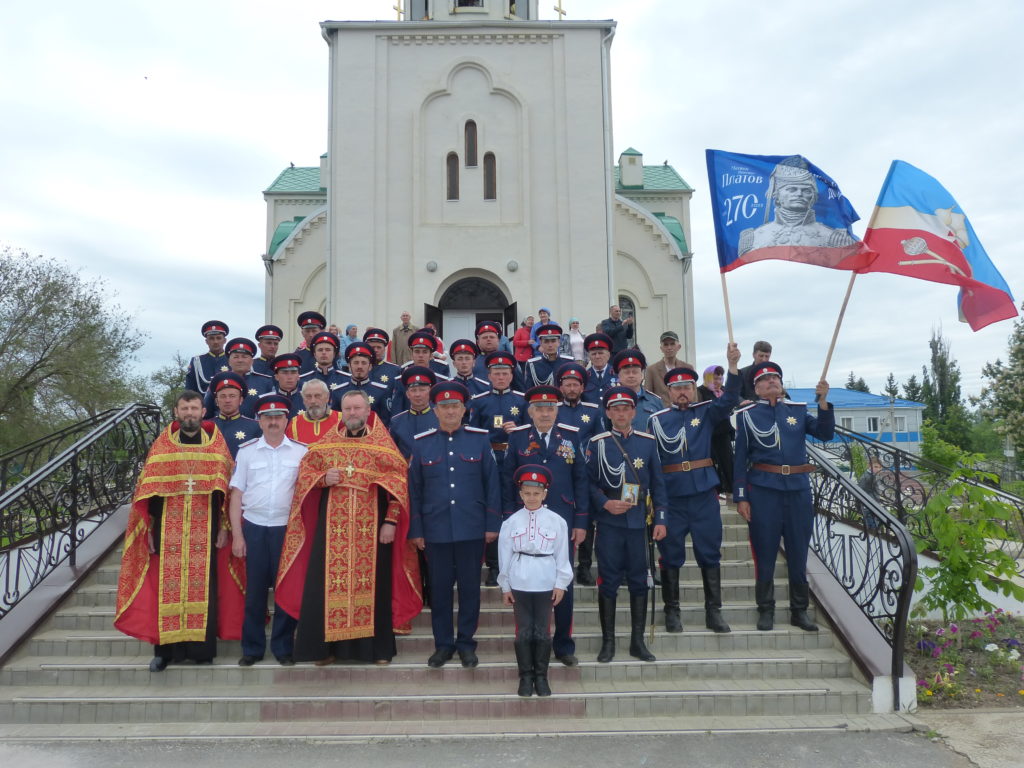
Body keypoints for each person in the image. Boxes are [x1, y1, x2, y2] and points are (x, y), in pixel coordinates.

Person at [276, 390, 422, 665]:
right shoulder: (326, 444)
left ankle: (376, 650)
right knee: (326, 587)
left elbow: (398, 486)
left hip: (373, 531)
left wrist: (390, 522)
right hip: (332, 532)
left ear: (368, 410)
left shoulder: (383, 446)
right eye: (349, 409)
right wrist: (322, 478)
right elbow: (305, 473)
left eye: (358, 408)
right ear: (341, 412)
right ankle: (326, 650)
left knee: (375, 587)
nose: (353, 413)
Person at [114, 391, 243, 672]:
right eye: (184, 408)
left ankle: (202, 651)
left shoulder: (216, 448)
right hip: (167, 528)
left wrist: (224, 526)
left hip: (205, 528)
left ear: (202, 412)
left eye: (194, 408)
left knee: (204, 586)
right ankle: (165, 652)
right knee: (166, 588)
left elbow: (226, 492)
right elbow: (146, 493)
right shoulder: (162, 448)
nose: (189, 413)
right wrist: (147, 529)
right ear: (176, 412)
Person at [734, 361, 834, 633]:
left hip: (798, 489)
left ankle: (799, 611)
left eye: (775, 378)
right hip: (763, 490)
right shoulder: (747, 415)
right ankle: (765, 609)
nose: (771, 382)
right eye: (765, 380)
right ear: (755, 388)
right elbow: (740, 458)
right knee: (764, 551)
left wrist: (823, 402)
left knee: (799, 551)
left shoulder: (798, 412)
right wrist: (741, 497)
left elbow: (825, 434)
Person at [647, 346, 740, 636]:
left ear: (695, 390)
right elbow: (652, 462)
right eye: (677, 388)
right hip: (672, 498)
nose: (683, 392)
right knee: (671, 555)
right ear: (670, 392)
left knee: (709, 553)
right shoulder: (657, 421)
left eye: (688, 387)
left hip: (703, 495)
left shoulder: (708, 413)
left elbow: (730, 402)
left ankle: (714, 611)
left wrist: (732, 367)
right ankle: (671, 611)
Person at [408, 382, 501, 668]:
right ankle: (443, 645)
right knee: (439, 589)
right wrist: (417, 530)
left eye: (455, 406)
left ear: (464, 410)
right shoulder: (422, 442)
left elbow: (492, 485)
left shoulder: (479, 439)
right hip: (435, 531)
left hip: (471, 528)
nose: (450, 411)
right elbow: (415, 490)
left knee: (471, 589)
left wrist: (491, 524)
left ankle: (466, 643)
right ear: (435, 411)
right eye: (444, 407)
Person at [502, 386, 588, 666]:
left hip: (561, 522)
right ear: (530, 411)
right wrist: (508, 520)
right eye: (539, 408)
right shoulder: (517, 439)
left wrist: (581, 521)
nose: (545, 413)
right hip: (525, 523)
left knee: (563, 584)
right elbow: (506, 482)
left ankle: (564, 645)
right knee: (522, 586)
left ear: (557, 410)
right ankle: (526, 643)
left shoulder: (572, 437)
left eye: (550, 408)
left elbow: (581, 481)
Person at [586, 387, 667, 663]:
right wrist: (604, 503)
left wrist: (661, 519)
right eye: (615, 409)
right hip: (609, 521)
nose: (621, 413)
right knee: (608, 581)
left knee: (638, 582)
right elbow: (587, 482)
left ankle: (637, 641)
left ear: (634, 411)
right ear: (607, 413)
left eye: (626, 408)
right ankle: (608, 641)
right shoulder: (597, 443)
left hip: (637, 523)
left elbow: (658, 484)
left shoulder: (647, 442)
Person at [229, 394, 307, 667]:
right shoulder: (247, 451)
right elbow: (236, 495)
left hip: (286, 530)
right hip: (255, 528)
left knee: (286, 590)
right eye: (267, 418)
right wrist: (237, 535)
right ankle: (252, 648)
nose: (273, 422)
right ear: (259, 421)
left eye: (278, 417)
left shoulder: (301, 451)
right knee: (255, 592)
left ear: (287, 420)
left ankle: (283, 647)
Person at [499, 465, 572, 698]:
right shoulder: (510, 522)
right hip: (520, 581)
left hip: (545, 581)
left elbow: (562, 554)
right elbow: (505, 555)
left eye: (536, 493)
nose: (532, 497)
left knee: (542, 631)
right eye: (527, 493)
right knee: (523, 632)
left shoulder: (557, 521)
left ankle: (541, 676)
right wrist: (505, 586)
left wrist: (561, 583)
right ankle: (525, 677)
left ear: (544, 494)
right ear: (520, 494)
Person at [468, 351, 529, 586]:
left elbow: (532, 432)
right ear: (489, 375)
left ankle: (517, 563)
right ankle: (494, 566)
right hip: (490, 460)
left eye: (505, 373)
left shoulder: (523, 401)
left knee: (516, 510)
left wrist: (520, 427)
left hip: (516, 460)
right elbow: (473, 434)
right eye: (496, 373)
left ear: (512, 375)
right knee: (493, 511)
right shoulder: (479, 401)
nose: (501, 377)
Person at [738, 156, 856, 260]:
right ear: (776, 194)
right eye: (792, 189)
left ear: (813, 196)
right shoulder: (752, 239)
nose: (799, 194)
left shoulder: (835, 239)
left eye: (806, 190)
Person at [698, 364, 736, 498]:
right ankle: (716, 490)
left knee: (727, 460)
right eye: (715, 378)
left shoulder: (724, 391)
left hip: (724, 431)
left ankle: (730, 489)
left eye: (720, 378)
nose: (718, 382)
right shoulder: (701, 391)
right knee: (711, 461)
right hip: (710, 432)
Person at [329, 341, 390, 422]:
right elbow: (335, 421)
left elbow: (385, 422)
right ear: (349, 366)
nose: (360, 366)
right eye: (356, 363)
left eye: (364, 363)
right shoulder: (338, 391)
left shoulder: (382, 391)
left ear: (370, 367)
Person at [208, 372, 262, 457]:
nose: (227, 400)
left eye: (232, 396)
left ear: (240, 400)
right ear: (216, 401)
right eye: (223, 396)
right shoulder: (206, 427)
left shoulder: (256, 427)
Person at [388, 366, 438, 459]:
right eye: (413, 390)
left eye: (422, 390)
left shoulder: (441, 418)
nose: (418, 394)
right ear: (407, 394)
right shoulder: (397, 422)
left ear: (430, 392)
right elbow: (392, 454)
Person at [611, 349, 663, 431]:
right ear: (619, 377)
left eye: (635, 372)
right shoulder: (610, 401)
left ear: (642, 375)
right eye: (627, 372)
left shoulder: (655, 401)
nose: (631, 376)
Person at [473, 320, 526, 391]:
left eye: (492, 337)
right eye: (485, 337)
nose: (488, 339)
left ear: (498, 341)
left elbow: (520, 388)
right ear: (478, 342)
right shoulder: (472, 363)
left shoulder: (509, 361)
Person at [287, 378, 343, 444]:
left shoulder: (341, 420)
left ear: (327, 397)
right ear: (303, 399)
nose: (313, 401)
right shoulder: (294, 424)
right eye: (308, 396)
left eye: (317, 396)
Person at [184, 320, 230, 394]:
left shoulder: (232, 359)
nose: (215, 342)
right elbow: (190, 388)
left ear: (224, 340)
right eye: (211, 338)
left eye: (218, 338)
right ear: (206, 341)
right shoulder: (197, 361)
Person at [524, 322, 574, 388]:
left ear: (559, 342)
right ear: (541, 343)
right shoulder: (532, 365)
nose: (550, 345)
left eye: (553, 341)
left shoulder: (569, 362)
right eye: (546, 341)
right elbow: (528, 390)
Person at [645, 331, 688, 407]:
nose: (669, 347)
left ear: (679, 347)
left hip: (684, 413)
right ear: (661, 348)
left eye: (672, 344)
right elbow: (648, 398)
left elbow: (693, 396)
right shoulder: (651, 370)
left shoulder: (687, 368)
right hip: (661, 415)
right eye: (666, 344)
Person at [261, 353, 305, 417]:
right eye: (285, 373)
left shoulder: (308, 398)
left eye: (293, 372)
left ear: (298, 376)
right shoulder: (266, 400)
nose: (289, 377)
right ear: (276, 377)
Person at [582, 332, 617, 404]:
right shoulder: (583, 377)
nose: (597, 356)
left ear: (608, 355)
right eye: (594, 354)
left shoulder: (618, 374)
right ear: (589, 356)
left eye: (600, 353)